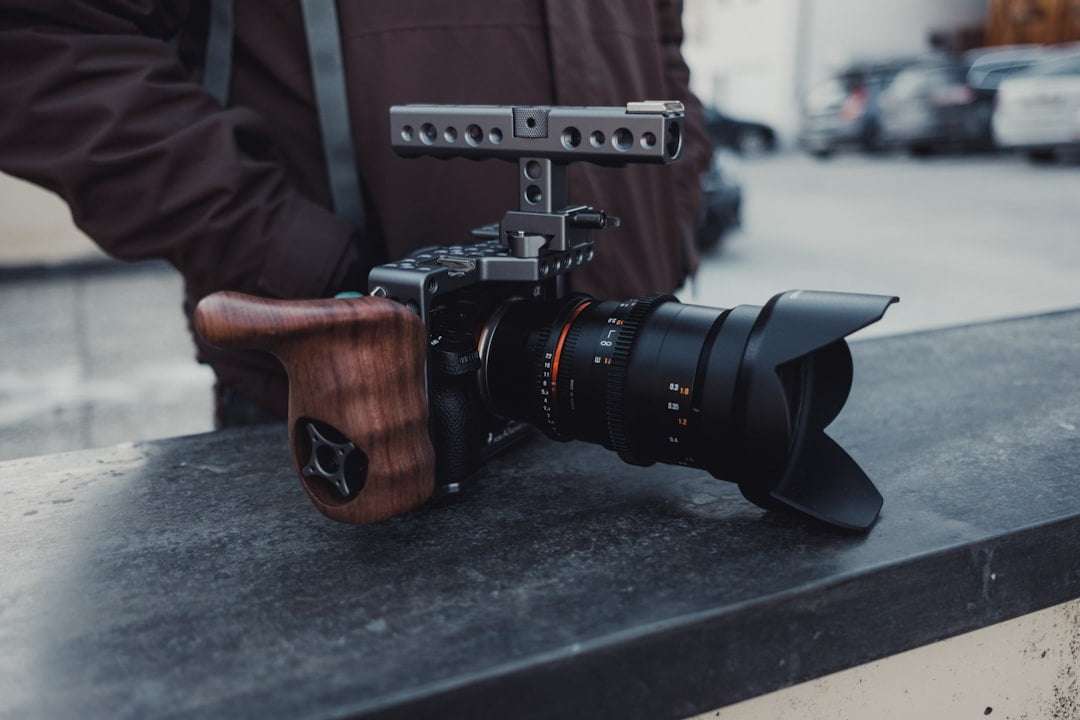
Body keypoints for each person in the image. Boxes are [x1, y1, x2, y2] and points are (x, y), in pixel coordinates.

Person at [0, 1, 711, 426]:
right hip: (355, 383)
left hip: (625, 358)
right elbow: (48, 39)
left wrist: (677, 195)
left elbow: (659, 33)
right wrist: (301, 265)